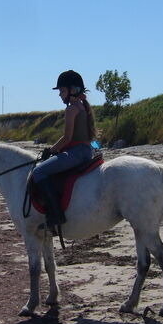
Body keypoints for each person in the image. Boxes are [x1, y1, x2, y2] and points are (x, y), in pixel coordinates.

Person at [32, 70, 97, 232]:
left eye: (62, 91)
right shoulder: (82, 107)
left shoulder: (71, 110)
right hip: (86, 151)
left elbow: (67, 138)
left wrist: (50, 150)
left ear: (73, 90)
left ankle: (56, 215)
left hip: (76, 152)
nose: (60, 95)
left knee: (38, 172)